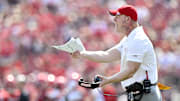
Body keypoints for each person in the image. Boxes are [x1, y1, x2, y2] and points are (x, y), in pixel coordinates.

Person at [72, 5, 162, 101]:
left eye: (118, 17)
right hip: (138, 94)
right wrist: (82, 54)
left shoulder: (138, 39)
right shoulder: (129, 38)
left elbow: (130, 70)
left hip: (146, 95)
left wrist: (108, 80)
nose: (114, 20)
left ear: (127, 19)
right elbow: (107, 55)